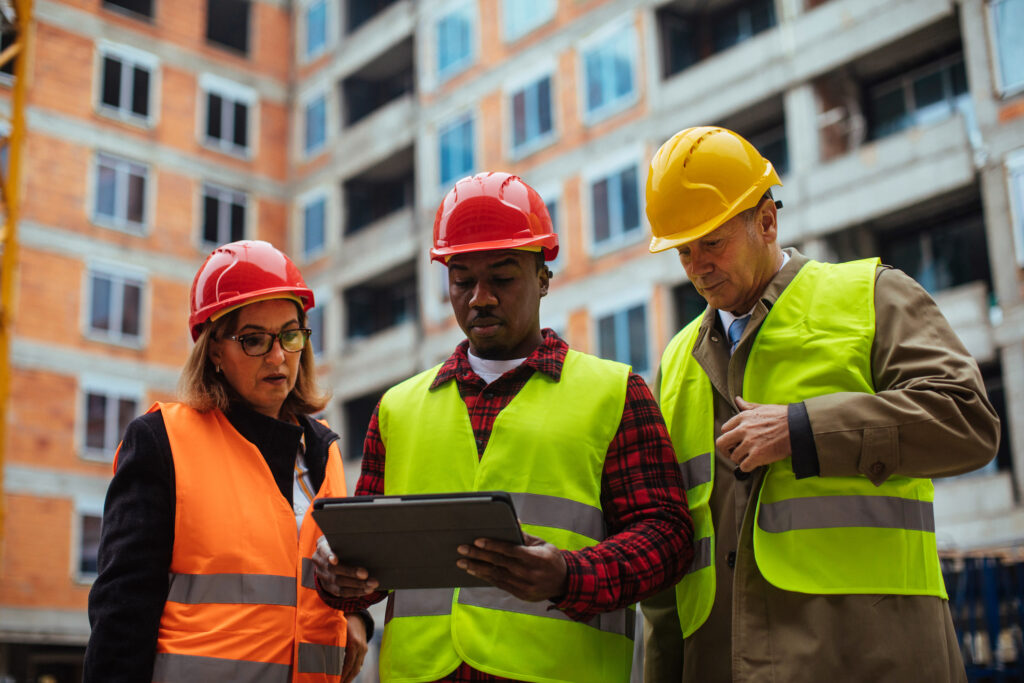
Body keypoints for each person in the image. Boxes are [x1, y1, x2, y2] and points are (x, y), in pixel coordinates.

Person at [640, 126, 1001, 683]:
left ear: (766, 220)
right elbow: (671, 568)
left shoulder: (873, 296)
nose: (698, 266)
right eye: (683, 251)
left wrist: (804, 430)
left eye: (712, 243)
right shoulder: (675, 362)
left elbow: (968, 421)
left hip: (871, 659)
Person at [311, 171, 695, 683]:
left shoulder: (615, 393)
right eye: (463, 279)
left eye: (503, 277)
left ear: (543, 276)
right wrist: (340, 576)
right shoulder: (398, 409)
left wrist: (567, 576)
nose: (480, 298)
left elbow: (668, 538)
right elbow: (370, 573)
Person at [84, 240, 370, 683]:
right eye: (253, 340)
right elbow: (121, 614)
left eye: (290, 335)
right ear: (214, 349)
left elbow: (327, 577)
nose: (278, 357)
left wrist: (356, 617)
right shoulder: (162, 442)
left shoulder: (323, 450)